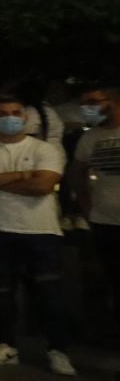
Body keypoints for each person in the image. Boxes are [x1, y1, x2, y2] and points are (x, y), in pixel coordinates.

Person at [0, 91, 72, 374]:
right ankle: (5, 345)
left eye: (15, 113)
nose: (9, 119)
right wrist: (24, 176)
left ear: (24, 117)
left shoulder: (44, 149)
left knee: (49, 293)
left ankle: (58, 350)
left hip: (41, 230)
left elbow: (43, 186)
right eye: (2, 114)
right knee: (1, 292)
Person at [72, 85, 120, 325]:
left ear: (112, 100)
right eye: (84, 103)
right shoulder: (90, 137)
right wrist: (88, 208)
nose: (88, 108)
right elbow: (78, 175)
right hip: (104, 221)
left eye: (93, 101)